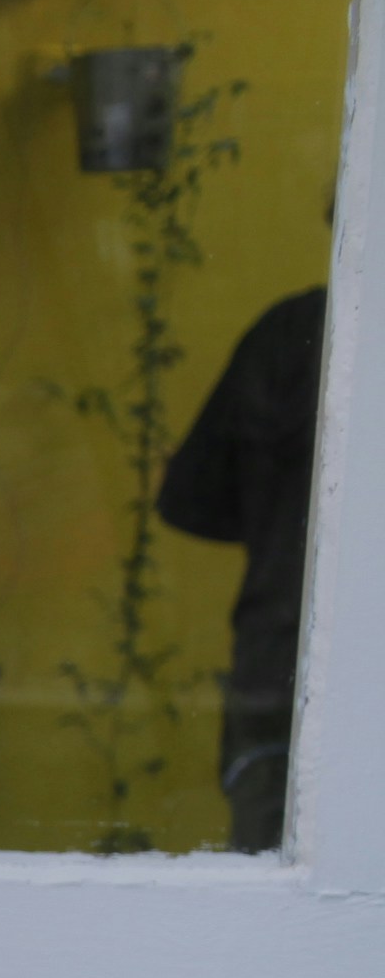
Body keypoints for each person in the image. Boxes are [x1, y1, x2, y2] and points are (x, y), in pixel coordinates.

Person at [158, 284, 327, 854]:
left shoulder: (288, 332)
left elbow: (193, 500)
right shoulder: (295, 333)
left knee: (273, 875)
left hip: (276, 651)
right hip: (282, 655)